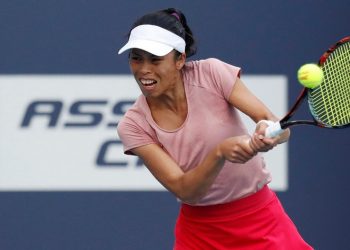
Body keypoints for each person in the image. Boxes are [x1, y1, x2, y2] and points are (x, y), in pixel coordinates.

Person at [117, 8, 313, 250]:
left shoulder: (211, 73)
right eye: (136, 58)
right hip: (200, 236)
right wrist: (220, 153)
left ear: (180, 59)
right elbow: (185, 190)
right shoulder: (133, 124)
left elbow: (280, 129)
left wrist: (267, 131)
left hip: (262, 221)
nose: (144, 69)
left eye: (155, 59)